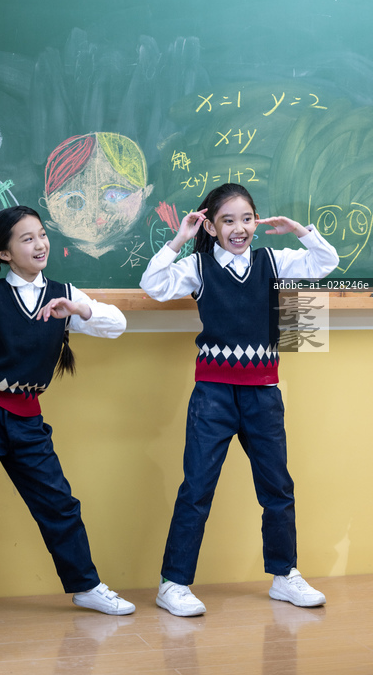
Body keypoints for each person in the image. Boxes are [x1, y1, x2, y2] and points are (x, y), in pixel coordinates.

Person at [0, 205, 135, 628]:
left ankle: (86, 587)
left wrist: (79, 309)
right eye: (27, 239)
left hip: (27, 417)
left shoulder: (63, 293)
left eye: (41, 234)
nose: (40, 244)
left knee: (59, 504)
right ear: (4, 254)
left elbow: (117, 324)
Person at [139, 183, 339, 617]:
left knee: (277, 486)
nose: (239, 228)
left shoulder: (274, 261)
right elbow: (153, 285)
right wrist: (179, 238)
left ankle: (284, 575)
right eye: (227, 220)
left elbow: (326, 263)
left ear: (256, 221)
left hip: (263, 392)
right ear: (210, 227)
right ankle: (173, 583)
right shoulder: (198, 266)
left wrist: (300, 231)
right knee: (197, 487)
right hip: (213, 394)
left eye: (247, 219)